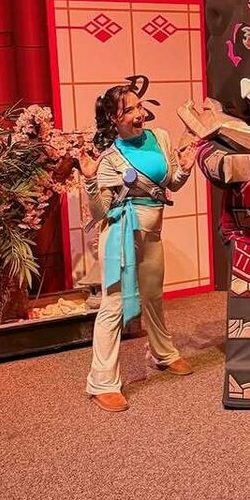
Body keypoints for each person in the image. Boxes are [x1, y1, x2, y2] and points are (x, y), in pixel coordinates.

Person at [78, 78, 199, 412]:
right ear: (113, 120)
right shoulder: (109, 159)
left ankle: (162, 353)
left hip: (152, 234)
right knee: (113, 306)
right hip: (119, 237)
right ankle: (102, 382)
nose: (139, 114)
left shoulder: (160, 138)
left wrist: (184, 171)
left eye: (139, 106)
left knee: (153, 296)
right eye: (128, 110)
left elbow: (170, 183)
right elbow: (100, 212)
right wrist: (90, 180)